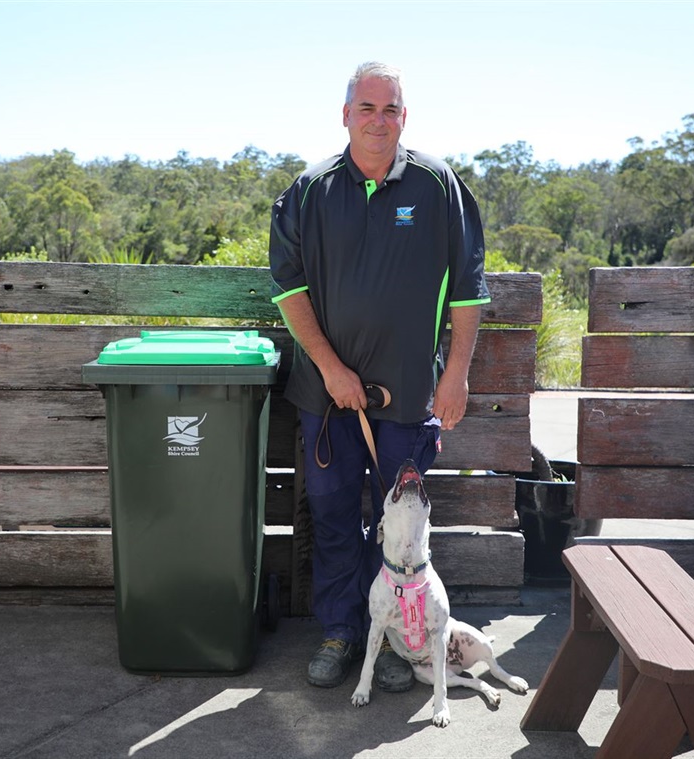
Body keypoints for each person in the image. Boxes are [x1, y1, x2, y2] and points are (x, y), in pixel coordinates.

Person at [269, 61, 491, 691]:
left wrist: (457, 377)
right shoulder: (310, 191)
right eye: (366, 108)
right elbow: (288, 289)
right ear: (345, 115)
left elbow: (470, 290)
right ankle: (342, 632)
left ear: (404, 117)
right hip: (327, 398)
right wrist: (332, 369)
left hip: (410, 394)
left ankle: (399, 643)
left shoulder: (437, 184)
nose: (378, 120)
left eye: (390, 109)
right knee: (335, 517)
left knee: (403, 529)